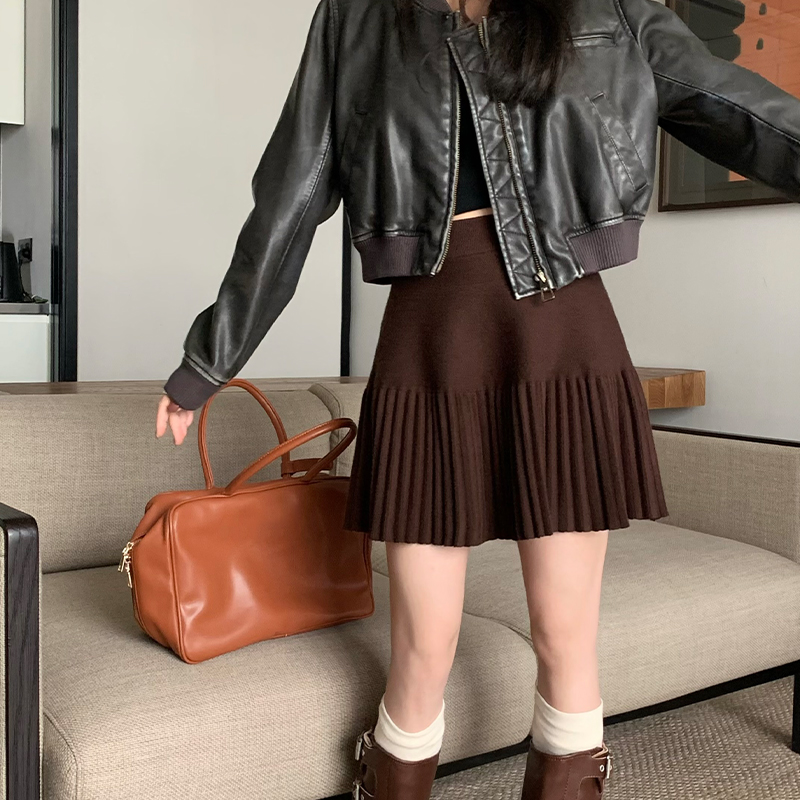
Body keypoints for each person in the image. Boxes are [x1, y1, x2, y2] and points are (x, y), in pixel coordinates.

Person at [155, 0, 800, 797]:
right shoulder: (357, 16)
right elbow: (294, 187)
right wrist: (209, 360)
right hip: (428, 340)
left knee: (565, 641)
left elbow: (736, 107)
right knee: (422, 652)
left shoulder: (604, 5)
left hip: (564, 336)